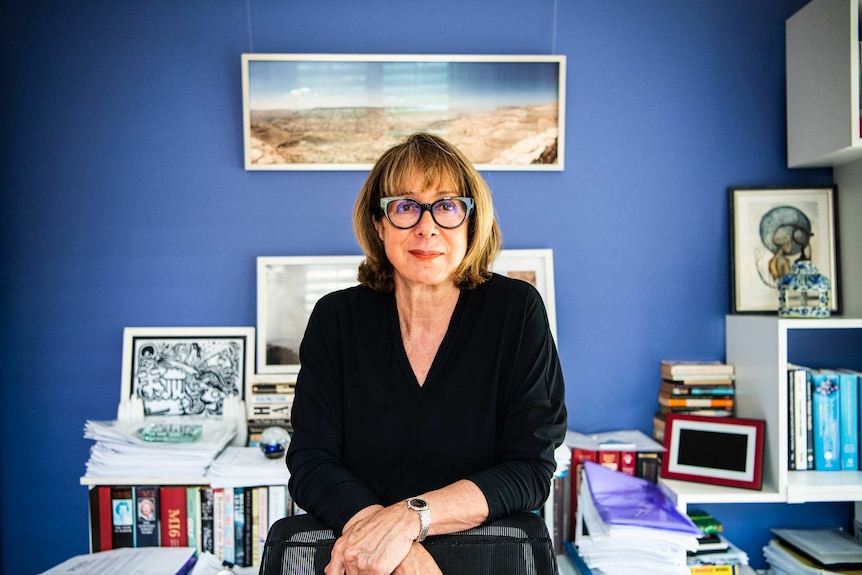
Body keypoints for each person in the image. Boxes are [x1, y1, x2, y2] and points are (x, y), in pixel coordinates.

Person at [286, 132, 567, 575]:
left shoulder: (516, 311)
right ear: (379, 224)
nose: (427, 226)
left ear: (472, 222)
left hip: (488, 559)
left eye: (447, 206)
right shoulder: (335, 318)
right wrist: (391, 545)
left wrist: (410, 519)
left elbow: (530, 468)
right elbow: (310, 461)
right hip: (363, 562)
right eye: (404, 206)